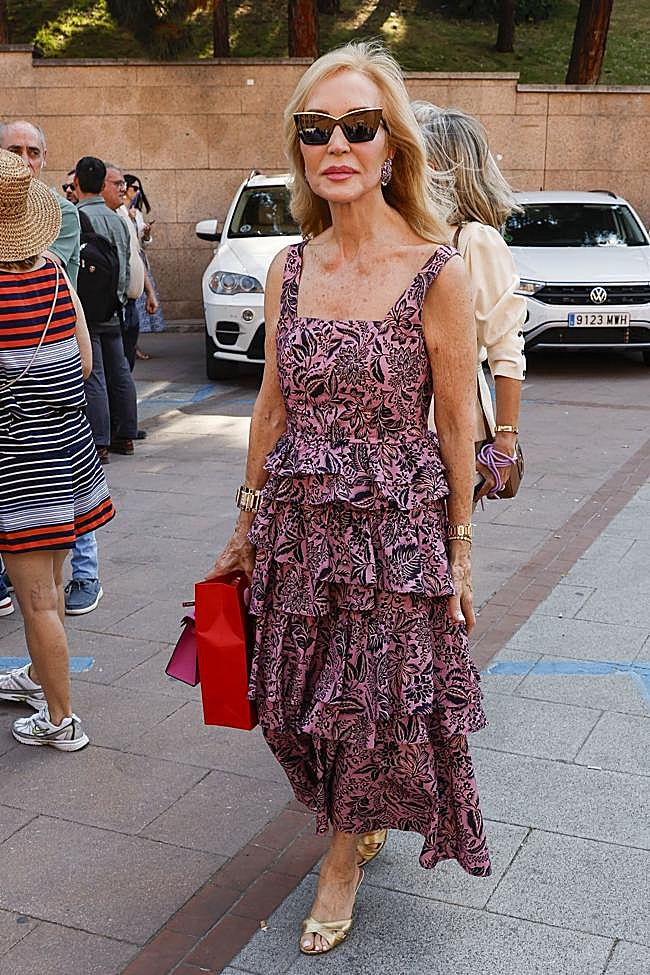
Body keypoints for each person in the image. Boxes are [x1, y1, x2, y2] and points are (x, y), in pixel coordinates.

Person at [208, 41, 490, 956]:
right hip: (298, 524)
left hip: (396, 534)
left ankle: (341, 858)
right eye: (315, 127)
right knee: (292, 705)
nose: (337, 144)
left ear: (392, 146)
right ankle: (354, 809)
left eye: (358, 127)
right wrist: (245, 525)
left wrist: (459, 552)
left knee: (371, 703)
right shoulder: (289, 268)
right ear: (299, 146)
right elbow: (267, 408)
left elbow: (457, 428)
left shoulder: (437, 271)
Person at [0, 148, 115, 749]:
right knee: (49, 586)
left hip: (19, 468)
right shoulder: (51, 272)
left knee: (37, 600)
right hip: (66, 453)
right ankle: (41, 679)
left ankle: (61, 719)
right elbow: (87, 362)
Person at [412, 103, 526, 500]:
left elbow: (506, 345)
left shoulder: (475, 240)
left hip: (450, 430)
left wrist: (505, 441)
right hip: (389, 432)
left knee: (437, 551)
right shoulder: (407, 234)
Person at [74, 156, 137, 459]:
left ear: (76, 184)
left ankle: (100, 443)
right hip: (115, 307)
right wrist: (120, 300)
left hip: (88, 310)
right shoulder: (118, 218)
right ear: (102, 184)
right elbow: (124, 265)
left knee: (94, 374)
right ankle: (126, 435)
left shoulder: (74, 217)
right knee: (121, 371)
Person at [124, 173, 166, 352]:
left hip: (140, 259)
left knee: (142, 301)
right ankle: (132, 346)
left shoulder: (137, 212)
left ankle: (135, 345)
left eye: (138, 188)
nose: (137, 192)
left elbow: (143, 242)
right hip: (128, 261)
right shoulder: (120, 210)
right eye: (134, 188)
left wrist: (147, 233)